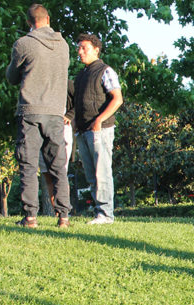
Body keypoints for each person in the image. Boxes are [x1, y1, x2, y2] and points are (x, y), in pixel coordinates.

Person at [5, 3, 71, 228]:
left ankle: (30, 217)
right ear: (48, 19)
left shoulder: (23, 44)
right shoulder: (63, 45)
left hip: (30, 111)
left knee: (28, 165)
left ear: (28, 22)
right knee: (58, 165)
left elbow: (12, 77)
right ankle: (63, 217)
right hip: (55, 112)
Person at [74, 33, 123, 224]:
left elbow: (117, 99)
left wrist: (99, 121)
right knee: (91, 175)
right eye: (78, 48)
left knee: (101, 172)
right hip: (83, 130)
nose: (79, 52)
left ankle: (106, 214)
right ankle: (98, 212)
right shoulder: (80, 75)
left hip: (100, 130)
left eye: (83, 48)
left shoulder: (105, 71)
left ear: (96, 49)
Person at [40, 80, 75, 210]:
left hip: (62, 129)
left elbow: (79, 101)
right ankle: (56, 210)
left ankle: (64, 210)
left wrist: (69, 116)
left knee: (61, 172)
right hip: (42, 130)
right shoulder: (40, 82)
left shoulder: (67, 83)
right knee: (47, 173)